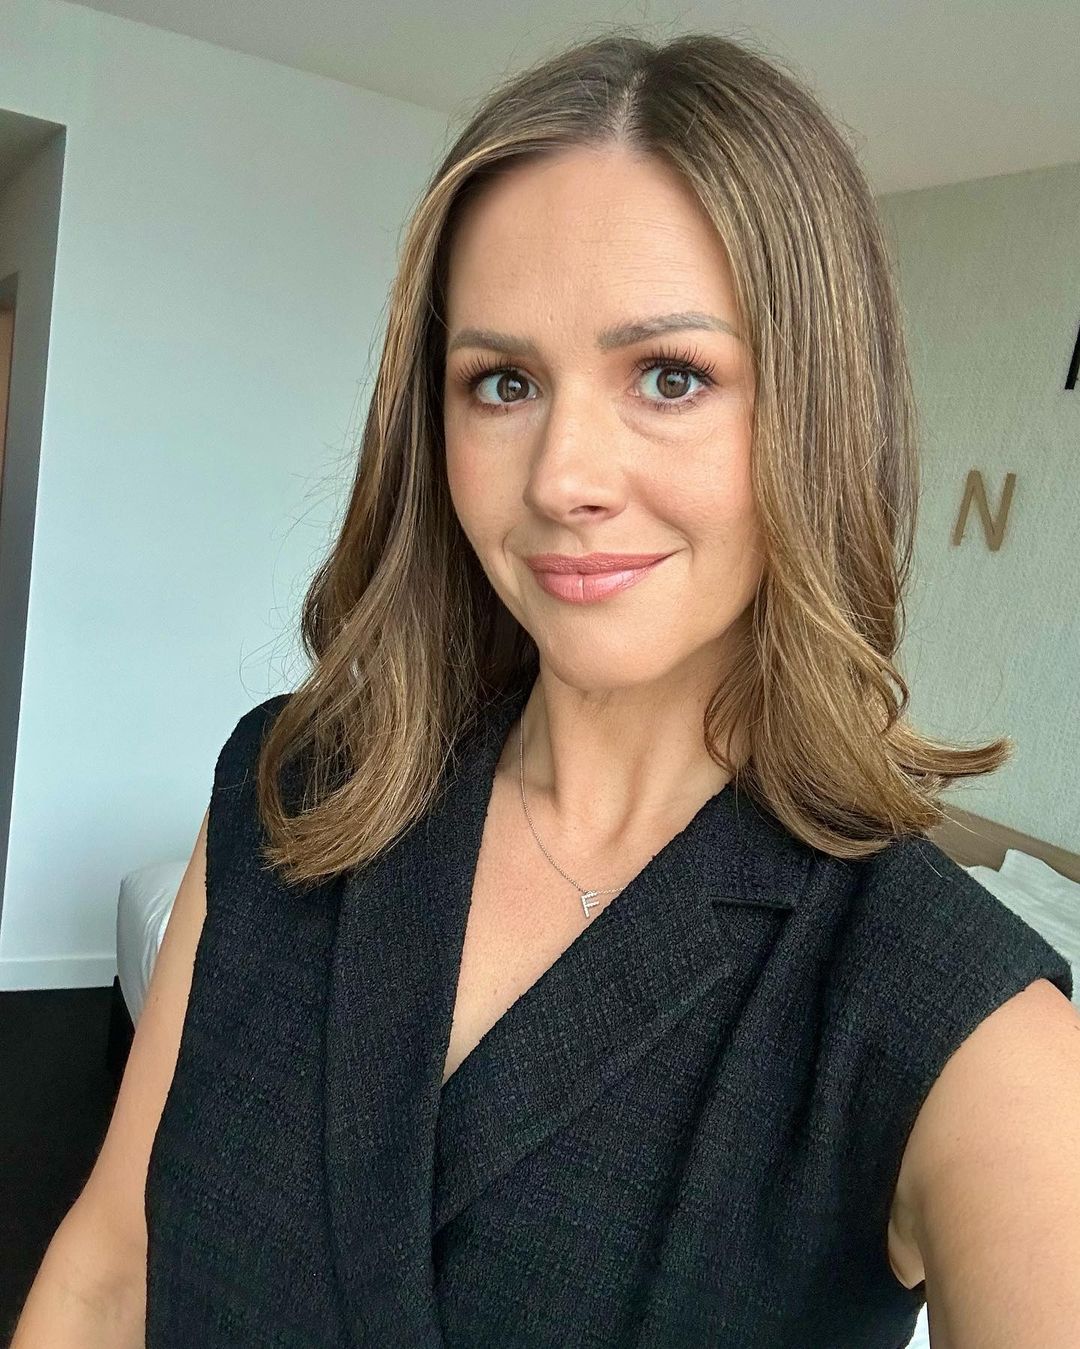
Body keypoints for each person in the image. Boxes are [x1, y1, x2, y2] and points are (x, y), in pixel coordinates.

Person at [13, 27, 1080, 1349]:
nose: (564, 476)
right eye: (503, 382)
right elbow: (109, 1271)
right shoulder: (294, 788)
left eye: (671, 377)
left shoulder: (961, 1023)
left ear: (819, 419)